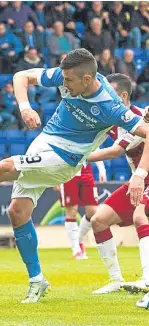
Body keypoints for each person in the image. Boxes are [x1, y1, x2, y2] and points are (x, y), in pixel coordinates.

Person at [0, 48, 149, 304]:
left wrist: (140, 174)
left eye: (68, 82)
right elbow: (21, 76)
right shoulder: (67, 75)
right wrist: (25, 107)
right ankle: (37, 280)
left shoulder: (109, 105)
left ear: (87, 80)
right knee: (17, 212)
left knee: (4, 167)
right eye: (63, 79)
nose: (63, 85)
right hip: (44, 142)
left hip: (65, 159)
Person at [82, 73, 149, 294]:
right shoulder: (111, 120)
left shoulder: (138, 118)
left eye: (109, 94)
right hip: (137, 180)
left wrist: (79, 157)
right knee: (99, 220)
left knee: (141, 217)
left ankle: (147, 279)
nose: (105, 98)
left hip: (144, 178)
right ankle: (116, 280)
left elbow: (115, 151)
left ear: (122, 95)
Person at [56, 162, 106, 260]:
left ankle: (78, 239)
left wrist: (102, 169)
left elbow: (95, 147)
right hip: (68, 171)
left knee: (93, 212)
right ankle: (76, 249)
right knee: (72, 211)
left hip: (86, 171)